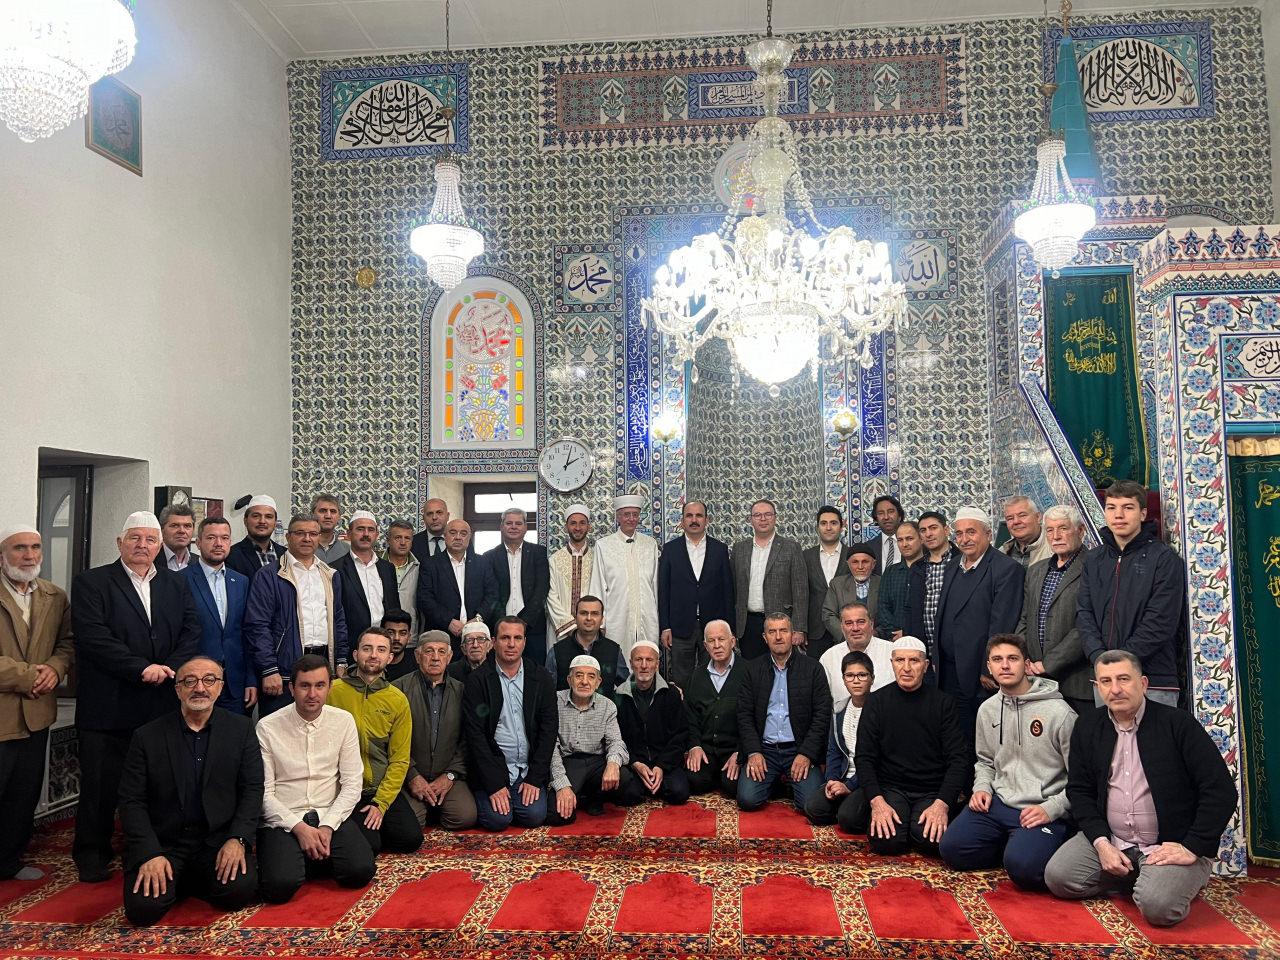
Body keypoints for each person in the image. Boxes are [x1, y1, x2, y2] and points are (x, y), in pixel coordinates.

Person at [1045, 650, 1237, 927]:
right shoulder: (1087, 726)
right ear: (1098, 687)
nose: (1115, 689)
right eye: (1106, 681)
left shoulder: (1178, 723)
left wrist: (1192, 847)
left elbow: (1220, 790)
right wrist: (1101, 843)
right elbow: (1080, 790)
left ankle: (1174, 876)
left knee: (1159, 908)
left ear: (1143, 683)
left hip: (1169, 843)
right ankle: (1141, 876)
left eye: (1124, 679)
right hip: (1114, 839)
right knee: (1059, 878)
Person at [72, 511, 200, 883]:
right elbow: (94, 638)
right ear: (120, 543)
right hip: (109, 704)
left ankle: (146, 847)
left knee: (157, 782)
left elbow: (192, 631)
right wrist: (141, 668)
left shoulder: (175, 584)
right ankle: (92, 853)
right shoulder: (92, 582)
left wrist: (169, 667)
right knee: (101, 785)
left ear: (159, 546)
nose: (142, 546)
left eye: (149, 540)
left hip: (160, 701)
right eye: (135, 538)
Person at [117, 656, 262, 926]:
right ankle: (183, 879)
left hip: (216, 841)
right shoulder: (147, 736)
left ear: (220, 686)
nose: (200, 688)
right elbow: (131, 801)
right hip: (165, 844)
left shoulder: (241, 730)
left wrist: (238, 839)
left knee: (237, 893)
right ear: (177, 689)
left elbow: (252, 789)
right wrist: (149, 853)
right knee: (143, 910)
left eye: (209, 680)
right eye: (190, 681)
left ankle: (185, 881)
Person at [940, 635, 1075, 889]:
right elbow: (985, 761)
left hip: (1041, 807)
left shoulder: (1060, 713)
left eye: (1012, 658)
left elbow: (1080, 779)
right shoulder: (987, 709)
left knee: (1025, 870)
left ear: (1026, 664)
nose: (1005, 665)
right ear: (989, 667)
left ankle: (1031, 847)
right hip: (1000, 801)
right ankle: (1015, 845)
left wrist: (1053, 808)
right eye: (997, 659)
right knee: (952, 849)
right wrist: (981, 788)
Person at [256, 655, 374, 903]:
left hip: (328, 812)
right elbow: (264, 794)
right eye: (305, 686)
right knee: (279, 887)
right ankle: (304, 856)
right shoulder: (267, 727)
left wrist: (327, 826)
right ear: (291, 688)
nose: (312, 694)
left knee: (360, 871)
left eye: (320, 685)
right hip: (286, 818)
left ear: (330, 687)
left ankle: (309, 855)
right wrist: (300, 829)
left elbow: (352, 784)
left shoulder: (343, 721)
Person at [0, 525, 73, 881]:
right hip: (3, 714)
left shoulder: (54, 596)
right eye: (19, 548)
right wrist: (31, 676)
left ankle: (8, 861)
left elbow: (68, 643)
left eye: (35, 547)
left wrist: (56, 669)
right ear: (1, 555)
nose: (29, 555)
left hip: (37, 714)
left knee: (23, 792)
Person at [855, 636, 969, 856]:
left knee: (931, 843)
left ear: (925, 666)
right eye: (900, 660)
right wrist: (877, 803)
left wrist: (942, 804)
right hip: (892, 788)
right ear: (892, 664)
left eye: (914, 661)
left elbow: (958, 760)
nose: (906, 668)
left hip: (931, 790)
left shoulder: (944, 703)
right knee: (886, 842)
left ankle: (915, 823)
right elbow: (864, 757)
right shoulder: (876, 702)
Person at [1078, 481, 1187, 706]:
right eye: (1111, 507)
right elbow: (1084, 614)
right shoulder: (1093, 559)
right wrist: (1099, 657)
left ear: (1143, 513)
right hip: (1104, 678)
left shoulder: (1163, 559)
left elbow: (1161, 621)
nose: (1118, 515)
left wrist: (1119, 663)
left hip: (1152, 679)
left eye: (1128, 507)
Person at [326, 628, 421, 854]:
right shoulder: (333, 692)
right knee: (371, 846)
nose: (373, 655)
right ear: (355, 654)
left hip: (378, 787)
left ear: (390, 657)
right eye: (367, 649)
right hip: (344, 788)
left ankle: (370, 827)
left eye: (381, 650)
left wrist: (381, 803)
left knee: (411, 839)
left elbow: (400, 760)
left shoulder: (397, 700)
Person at [244, 513, 350, 716]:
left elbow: (338, 620)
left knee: (319, 728)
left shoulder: (330, 574)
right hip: (283, 672)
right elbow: (257, 626)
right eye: (300, 533)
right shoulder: (269, 575)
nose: (307, 538)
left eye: (313, 534)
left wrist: (341, 660)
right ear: (288, 537)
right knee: (280, 731)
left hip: (323, 665)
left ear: (319, 537)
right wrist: (269, 669)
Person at [934, 507, 1025, 736]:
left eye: (971, 532)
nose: (964, 539)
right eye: (959, 533)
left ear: (988, 534)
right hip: (948, 671)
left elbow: (1003, 623)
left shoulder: (1006, 569)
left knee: (976, 737)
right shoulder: (953, 565)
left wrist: (988, 666)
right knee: (951, 734)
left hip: (977, 675)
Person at [462, 617, 558, 831]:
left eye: (517, 638)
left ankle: (515, 800)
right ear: (493, 642)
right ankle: (500, 800)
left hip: (526, 770)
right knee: (498, 820)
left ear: (525, 642)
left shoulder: (541, 677)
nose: (511, 644)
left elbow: (549, 730)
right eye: (505, 638)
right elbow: (475, 736)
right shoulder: (478, 680)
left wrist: (534, 779)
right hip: (493, 770)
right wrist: (494, 785)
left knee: (534, 816)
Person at [736, 613, 831, 812]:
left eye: (783, 631)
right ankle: (778, 782)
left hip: (798, 749)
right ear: (765, 638)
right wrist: (753, 752)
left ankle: (787, 782)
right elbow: (744, 715)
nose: (778, 637)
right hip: (765, 750)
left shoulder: (813, 668)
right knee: (748, 800)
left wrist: (806, 754)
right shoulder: (752, 670)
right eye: (772, 632)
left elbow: (822, 716)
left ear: (792, 634)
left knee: (811, 805)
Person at [391, 631, 477, 831]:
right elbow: (390, 741)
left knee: (464, 817)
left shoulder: (462, 691)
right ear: (417, 656)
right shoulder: (398, 690)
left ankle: (435, 805)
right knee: (410, 824)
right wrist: (412, 776)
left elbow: (467, 740)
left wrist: (450, 775)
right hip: (409, 775)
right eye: (429, 651)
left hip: (448, 774)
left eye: (441, 652)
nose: (435, 657)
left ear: (450, 657)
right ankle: (427, 806)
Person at [546, 655, 638, 825]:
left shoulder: (607, 706)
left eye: (591, 676)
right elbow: (549, 747)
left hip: (595, 762)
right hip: (568, 762)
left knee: (626, 780)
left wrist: (613, 764)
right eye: (578, 675)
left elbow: (616, 742)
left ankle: (593, 797)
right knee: (557, 816)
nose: (584, 682)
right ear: (569, 680)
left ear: (598, 682)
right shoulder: (553, 701)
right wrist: (562, 785)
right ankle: (580, 796)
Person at [1019, 505, 1092, 714]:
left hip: (1077, 683)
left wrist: (1049, 664)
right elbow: (1025, 619)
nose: (1056, 536)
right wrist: (1023, 658)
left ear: (1081, 531)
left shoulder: (1094, 567)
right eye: (1050, 530)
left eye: (1063, 528)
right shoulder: (1036, 570)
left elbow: (1087, 626)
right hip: (1037, 681)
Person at [659, 500, 735, 689]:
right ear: (682, 521)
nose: (694, 520)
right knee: (681, 678)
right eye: (689, 516)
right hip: (679, 626)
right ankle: (682, 709)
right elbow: (664, 590)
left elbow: (728, 591)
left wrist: (729, 628)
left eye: (699, 515)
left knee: (712, 677)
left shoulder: (720, 549)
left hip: (713, 627)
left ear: (707, 520)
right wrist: (665, 626)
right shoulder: (670, 549)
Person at [183, 517, 255, 714]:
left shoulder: (241, 581)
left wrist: (251, 679)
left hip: (234, 682)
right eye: (211, 538)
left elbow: (247, 633)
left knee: (234, 732)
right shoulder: (181, 580)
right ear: (198, 543)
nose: (218, 543)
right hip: (196, 681)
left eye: (224, 538)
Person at [804, 650, 873, 832]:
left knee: (848, 819)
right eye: (850, 676)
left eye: (862, 675)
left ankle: (852, 810)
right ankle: (849, 808)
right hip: (843, 775)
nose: (856, 680)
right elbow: (833, 751)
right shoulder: (839, 709)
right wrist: (832, 781)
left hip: (868, 780)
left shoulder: (879, 710)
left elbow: (876, 760)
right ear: (843, 680)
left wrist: (849, 786)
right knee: (812, 808)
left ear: (872, 679)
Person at [615, 639, 690, 806]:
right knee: (628, 795)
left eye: (649, 660)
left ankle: (653, 782)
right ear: (631, 663)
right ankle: (646, 785)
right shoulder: (619, 697)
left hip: (665, 762)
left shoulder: (671, 694)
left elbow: (680, 735)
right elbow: (617, 739)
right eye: (638, 659)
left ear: (657, 664)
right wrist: (635, 764)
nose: (644, 665)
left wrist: (661, 766)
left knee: (679, 792)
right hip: (635, 763)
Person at [732, 501, 808, 659]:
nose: (763, 519)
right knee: (751, 669)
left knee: (782, 666)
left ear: (775, 518)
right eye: (757, 515)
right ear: (750, 519)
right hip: (747, 624)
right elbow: (732, 588)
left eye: (768, 514)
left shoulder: (791, 547)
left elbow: (800, 590)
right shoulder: (739, 549)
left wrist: (799, 628)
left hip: (781, 622)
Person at [589, 494, 660, 656]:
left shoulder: (650, 544)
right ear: (618, 517)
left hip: (647, 619)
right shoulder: (603, 546)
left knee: (645, 660)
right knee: (617, 661)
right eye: (627, 514)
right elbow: (597, 586)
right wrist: (600, 623)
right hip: (616, 619)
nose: (631, 519)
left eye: (635, 514)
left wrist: (657, 617)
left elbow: (655, 585)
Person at [684, 621, 746, 797]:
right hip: (707, 750)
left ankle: (722, 777)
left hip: (734, 750)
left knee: (732, 787)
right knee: (694, 781)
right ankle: (715, 775)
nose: (717, 645)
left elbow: (754, 719)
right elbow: (690, 716)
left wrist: (741, 752)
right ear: (705, 646)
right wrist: (695, 746)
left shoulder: (748, 672)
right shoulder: (697, 675)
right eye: (711, 641)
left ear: (732, 641)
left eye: (721, 639)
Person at [418, 519, 498, 650]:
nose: (458, 537)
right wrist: (448, 621)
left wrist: (478, 619)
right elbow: (424, 598)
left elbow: (493, 594)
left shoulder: (482, 562)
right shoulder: (430, 564)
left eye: (463, 533)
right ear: (445, 536)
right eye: (453, 533)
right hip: (442, 634)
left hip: (477, 634)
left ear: (469, 537)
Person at [484, 507, 550, 666]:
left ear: (525, 527)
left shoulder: (539, 553)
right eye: (509, 523)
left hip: (533, 628)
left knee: (534, 671)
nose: (513, 527)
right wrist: (503, 625)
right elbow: (491, 592)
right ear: (501, 526)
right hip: (499, 629)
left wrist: (524, 622)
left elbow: (541, 590)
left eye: (518, 523)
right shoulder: (489, 557)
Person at [331, 511, 402, 646]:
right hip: (352, 644)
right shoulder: (335, 569)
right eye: (360, 529)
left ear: (377, 535)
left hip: (384, 643)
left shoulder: (387, 568)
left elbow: (394, 608)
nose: (366, 534)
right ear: (349, 533)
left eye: (371, 530)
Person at [545, 595, 627, 697]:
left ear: (602, 619)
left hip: (604, 707)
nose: (589, 618)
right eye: (583, 613)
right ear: (575, 617)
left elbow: (625, 688)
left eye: (594, 613)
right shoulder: (557, 651)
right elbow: (547, 691)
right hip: (565, 707)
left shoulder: (614, 651)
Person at [818, 601, 894, 710]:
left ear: (871, 624)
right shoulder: (829, 658)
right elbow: (822, 703)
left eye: (861, 622)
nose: (855, 628)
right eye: (849, 623)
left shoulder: (892, 652)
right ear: (842, 627)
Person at [905, 509, 956, 665]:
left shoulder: (962, 561)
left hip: (956, 650)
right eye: (923, 530)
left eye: (933, 528)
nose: (928, 534)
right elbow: (910, 609)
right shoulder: (917, 567)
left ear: (946, 530)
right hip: (925, 651)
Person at [801, 505, 851, 660]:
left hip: (847, 627)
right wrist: (801, 628)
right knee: (816, 671)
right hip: (815, 629)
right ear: (817, 527)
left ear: (842, 526)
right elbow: (799, 594)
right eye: (823, 523)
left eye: (833, 523)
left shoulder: (853, 556)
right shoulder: (805, 556)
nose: (828, 527)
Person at [546, 504, 593, 642]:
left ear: (589, 527)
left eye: (582, 523)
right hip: (561, 631)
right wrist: (570, 626)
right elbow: (550, 596)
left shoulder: (597, 558)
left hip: (590, 629)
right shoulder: (554, 559)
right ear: (566, 527)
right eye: (573, 523)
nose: (577, 528)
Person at [821, 545, 881, 644]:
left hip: (876, 641)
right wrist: (847, 635)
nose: (860, 567)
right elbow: (828, 614)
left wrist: (875, 634)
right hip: (844, 642)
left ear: (873, 564)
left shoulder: (882, 583)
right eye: (855, 562)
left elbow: (889, 613)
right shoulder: (837, 584)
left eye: (865, 562)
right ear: (848, 564)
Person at [875, 520, 923, 639]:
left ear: (921, 539)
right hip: (894, 638)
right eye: (900, 540)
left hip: (925, 637)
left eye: (909, 539)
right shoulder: (890, 572)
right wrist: (894, 632)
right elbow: (883, 607)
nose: (904, 544)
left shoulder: (931, 569)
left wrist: (909, 632)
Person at [226, 495, 285, 580]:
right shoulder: (231, 555)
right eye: (256, 516)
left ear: (275, 522)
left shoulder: (286, 555)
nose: (262, 521)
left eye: (268, 517)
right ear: (245, 521)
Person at [384, 520, 421, 637]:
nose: (403, 542)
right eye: (398, 538)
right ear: (388, 540)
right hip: (381, 635)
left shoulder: (420, 568)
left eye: (407, 538)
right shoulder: (375, 566)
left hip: (411, 635)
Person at [1001, 496, 1052, 567]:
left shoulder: (1055, 547)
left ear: (1038, 517)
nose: (1016, 521)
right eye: (1010, 518)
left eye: (1022, 515)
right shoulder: (1002, 553)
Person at [864, 495, 907, 574]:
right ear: (876, 519)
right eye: (881, 513)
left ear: (900, 516)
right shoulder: (868, 547)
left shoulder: (913, 544)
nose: (886, 517)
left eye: (891, 512)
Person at [449, 618, 492, 683]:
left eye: (481, 639)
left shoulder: (498, 670)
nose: (475, 645)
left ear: (489, 646)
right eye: (469, 640)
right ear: (463, 648)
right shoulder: (450, 672)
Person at [157, 504, 198, 572]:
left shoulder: (199, 563)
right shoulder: (151, 560)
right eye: (175, 526)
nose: (182, 531)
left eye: (187, 526)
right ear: (162, 529)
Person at [410, 497, 450, 566]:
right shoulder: (412, 542)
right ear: (423, 518)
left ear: (447, 516)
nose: (434, 517)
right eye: (429, 514)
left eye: (439, 512)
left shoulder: (459, 541)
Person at [311, 494, 350, 564]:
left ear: (339, 517)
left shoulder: (348, 550)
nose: (328, 516)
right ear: (312, 514)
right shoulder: (301, 546)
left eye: (333, 511)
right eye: (323, 511)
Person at [380, 610, 417, 682]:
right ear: (381, 635)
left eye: (402, 633)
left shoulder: (417, 663)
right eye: (391, 633)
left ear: (409, 637)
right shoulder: (372, 662)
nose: (396, 638)